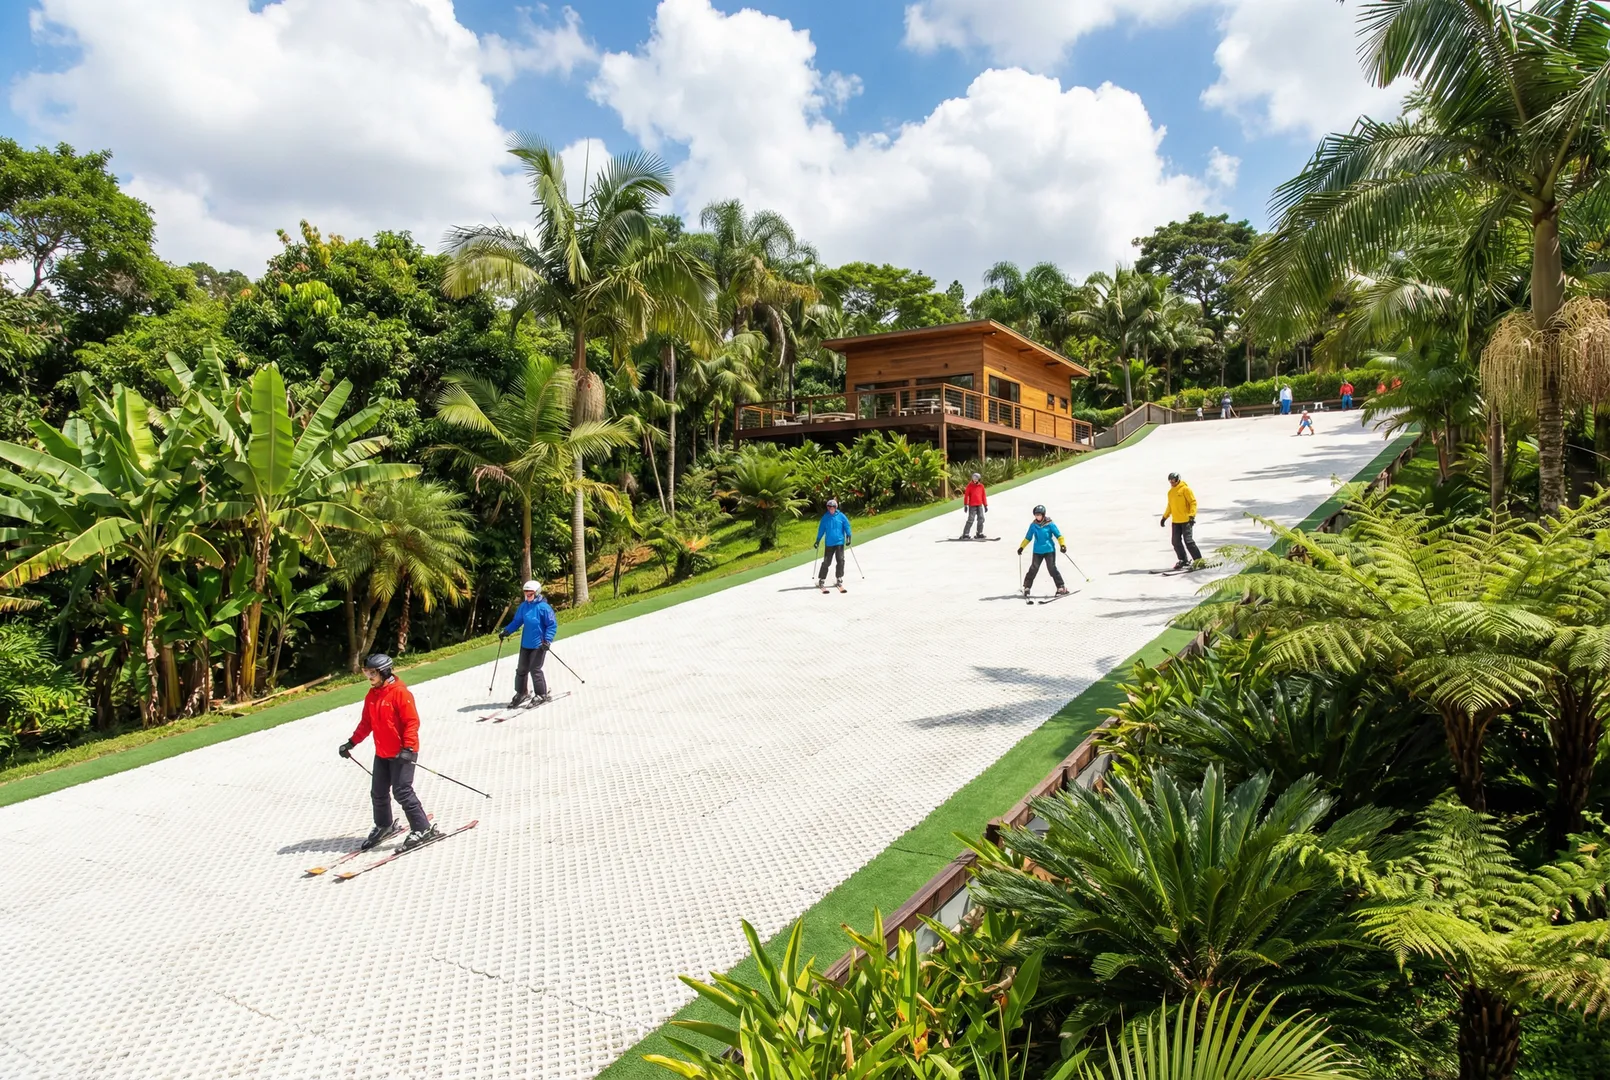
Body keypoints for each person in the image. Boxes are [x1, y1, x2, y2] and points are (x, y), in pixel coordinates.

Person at [340, 654, 438, 851]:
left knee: (402, 791)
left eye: (373, 673)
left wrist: (408, 748)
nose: (369, 676)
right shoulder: (372, 695)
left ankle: (422, 828)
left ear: (384, 671)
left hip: (402, 752)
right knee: (378, 792)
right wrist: (351, 743)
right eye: (367, 672)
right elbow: (366, 723)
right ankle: (383, 824)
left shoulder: (400, 693)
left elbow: (412, 722)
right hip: (383, 752)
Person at [499, 580, 558, 707]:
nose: (528, 597)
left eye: (530, 594)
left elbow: (552, 625)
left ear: (537, 593)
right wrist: (506, 631)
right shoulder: (524, 607)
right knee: (521, 669)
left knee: (535, 669)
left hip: (539, 644)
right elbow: (517, 621)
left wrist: (547, 640)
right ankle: (522, 693)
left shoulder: (543, 608)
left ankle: (542, 694)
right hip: (526, 644)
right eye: (526, 594)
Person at [1017, 505, 1069, 597]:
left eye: (1039, 515)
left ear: (1043, 515)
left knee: (1052, 568)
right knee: (1033, 568)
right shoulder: (1033, 525)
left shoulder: (1050, 524)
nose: (1037, 517)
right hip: (1037, 551)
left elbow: (1059, 536)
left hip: (1049, 550)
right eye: (1036, 515)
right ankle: (1027, 587)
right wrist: (1021, 547)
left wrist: (1062, 545)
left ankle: (1061, 587)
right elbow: (1028, 538)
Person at [1159, 472, 1204, 570]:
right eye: (1170, 480)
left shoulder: (1185, 489)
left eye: (1173, 480)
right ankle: (1183, 560)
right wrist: (1164, 517)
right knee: (1175, 541)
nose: (1172, 482)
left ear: (1178, 479)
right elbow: (1170, 506)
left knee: (1188, 541)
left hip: (1186, 520)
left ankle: (1199, 561)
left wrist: (1192, 516)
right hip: (1176, 521)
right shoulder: (1170, 492)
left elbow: (1193, 502)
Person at [814, 498, 852, 588]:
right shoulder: (825, 518)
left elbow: (847, 526)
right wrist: (818, 540)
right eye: (829, 507)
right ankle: (822, 579)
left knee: (840, 560)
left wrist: (848, 536)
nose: (831, 509)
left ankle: (839, 577)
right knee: (827, 562)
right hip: (829, 543)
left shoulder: (841, 516)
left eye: (832, 507)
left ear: (836, 508)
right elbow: (821, 529)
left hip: (839, 542)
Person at [961, 472, 988, 539]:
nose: (974, 479)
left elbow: (983, 496)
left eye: (976, 478)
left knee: (981, 519)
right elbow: (966, 496)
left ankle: (979, 533)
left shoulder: (981, 486)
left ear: (979, 479)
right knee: (971, 519)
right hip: (972, 505)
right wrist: (965, 505)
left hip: (979, 505)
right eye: (973, 478)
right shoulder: (969, 486)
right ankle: (965, 534)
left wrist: (985, 505)